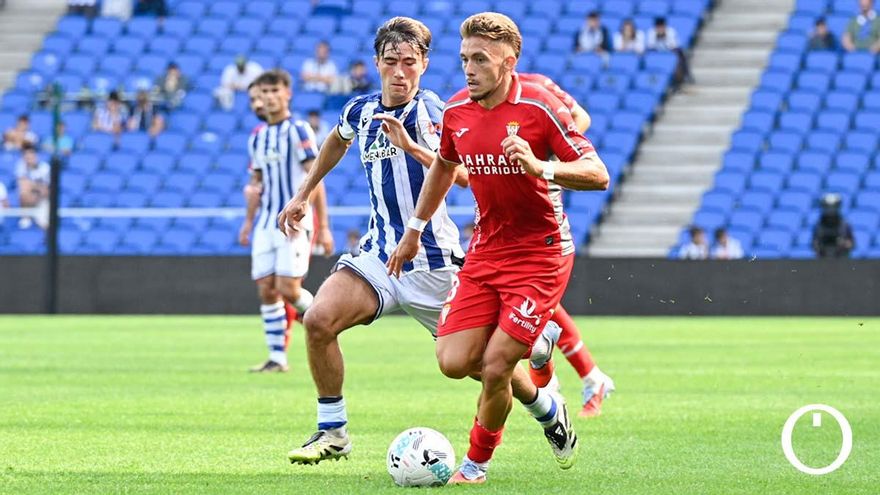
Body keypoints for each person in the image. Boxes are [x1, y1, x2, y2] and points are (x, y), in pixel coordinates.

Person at [277, 16, 565, 467]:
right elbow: (336, 138)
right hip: (379, 256)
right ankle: (333, 431)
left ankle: (546, 407)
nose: (399, 72)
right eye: (390, 62)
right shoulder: (362, 110)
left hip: (435, 263)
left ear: (425, 64)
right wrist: (302, 194)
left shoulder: (437, 112)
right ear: (376, 63)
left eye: (409, 63)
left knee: (480, 366)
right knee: (317, 320)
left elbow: (467, 177)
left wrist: (413, 147)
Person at [387, 13, 610, 483]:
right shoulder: (456, 112)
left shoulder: (540, 106)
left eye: (481, 60)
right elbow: (445, 168)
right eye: (464, 58)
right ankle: (547, 388)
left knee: (495, 365)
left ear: (510, 62)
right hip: (487, 250)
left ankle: (475, 465)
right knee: (453, 362)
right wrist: (413, 229)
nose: (469, 69)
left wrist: (540, 167)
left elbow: (598, 173)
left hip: (541, 253)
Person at [516, 72, 614, 417]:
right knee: (541, 303)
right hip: (505, 212)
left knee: (536, 301)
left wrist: (548, 155)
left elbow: (580, 117)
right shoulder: (482, 97)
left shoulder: (537, 86)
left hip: (539, 199)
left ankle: (553, 381)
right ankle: (584, 377)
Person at [238, 70, 333, 373]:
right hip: (266, 222)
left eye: (273, 91)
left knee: (288, 288)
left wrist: (324, 226)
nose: (267, 97)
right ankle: (277, 357)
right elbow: (256, 182)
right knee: (266, 288)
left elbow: (315, 178)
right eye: (263, 92)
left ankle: (325, 322)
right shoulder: (258, 137)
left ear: (287, 94)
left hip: (293, 222)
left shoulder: (299, 130)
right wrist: (248, 221)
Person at [647, 17, 694, 87]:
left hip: (670, 54)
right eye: (658, 27)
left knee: (680, 54)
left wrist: (664, 37)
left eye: (661, 27)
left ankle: (683, 75)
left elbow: (674, 47)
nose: (660, 29)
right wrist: (657, 37)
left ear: (664, 26)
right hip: (657, 56)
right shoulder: (651, 32)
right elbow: (651, 47)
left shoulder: (671, 31)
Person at [15, 144, 51, 229]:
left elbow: (46, 190)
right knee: (24, 192)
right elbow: (23, 186)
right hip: (29, 200)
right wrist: (37, 187)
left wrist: (33, 186)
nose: (29, 158)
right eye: (26, 156)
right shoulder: (21, 166)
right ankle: (26, 217)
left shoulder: (45, 168)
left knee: (45, 225)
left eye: (31, 155)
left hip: (43, 200)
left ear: (35, 156)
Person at [812, 193, 855, 258]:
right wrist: (821, 246)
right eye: (827, 207)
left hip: (841, 259)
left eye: (833, 207)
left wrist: (843, 243)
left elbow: (852, 244)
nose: (830, 210)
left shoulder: (845, 225)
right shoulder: (819, 225)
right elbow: (814, 244)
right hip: (823, 259)